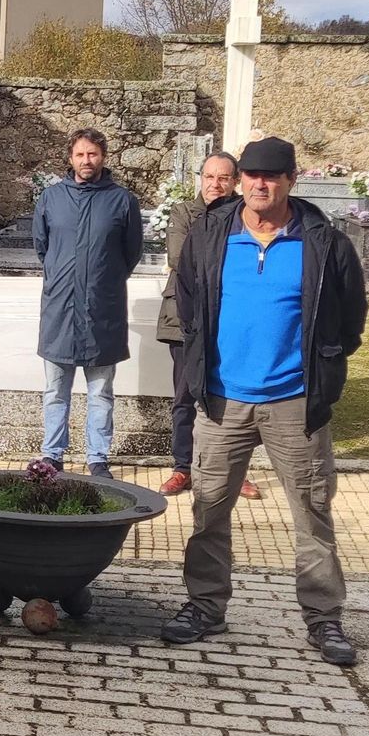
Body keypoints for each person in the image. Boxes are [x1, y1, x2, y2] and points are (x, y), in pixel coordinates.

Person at [161, 136, 368, 666]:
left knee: (312, 512)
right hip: (223, 400)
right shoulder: (210, 236)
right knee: (209, 510)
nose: (260, 184)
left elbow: (350, 319)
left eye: (272, 176)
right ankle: (205, 606)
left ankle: (324, 618)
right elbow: (188, 301)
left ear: (292, 180)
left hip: (295, 402)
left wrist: (322, 369)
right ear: (239, 180)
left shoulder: (324, 243)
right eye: (251, 174)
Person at [33, 127, 143, 479]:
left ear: (103, 157)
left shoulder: (122, 201)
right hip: (60, 311)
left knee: (101, 392)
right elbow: (42, 249)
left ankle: (98, 457)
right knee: (55, 391)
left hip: (102, 312)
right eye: (80, 154)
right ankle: (52, 454)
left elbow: (131, 253)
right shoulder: (51, 199)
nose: (86, 161)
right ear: (70, 158)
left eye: (92, 154)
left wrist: (102, 281)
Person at [155, 151, 260, 501]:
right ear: (201, 179)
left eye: (223, 178)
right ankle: (182, 467)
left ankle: (233, 473)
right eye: (209, 177)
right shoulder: (184, 213)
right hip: (185, 319)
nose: (216, 185)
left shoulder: (247, 217)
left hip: (230, 318)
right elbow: (180, 259)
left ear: (235, 182)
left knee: (232, 399)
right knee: (185, 397)